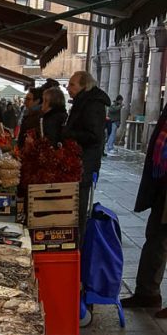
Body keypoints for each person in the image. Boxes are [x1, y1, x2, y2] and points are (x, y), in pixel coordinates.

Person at [121, 101, 167, 316]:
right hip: (163, 185)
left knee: (158, 239)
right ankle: (147, 293)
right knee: (156, 238)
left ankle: (148, 292)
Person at [63, 70, 110, 244]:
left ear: (84, 86)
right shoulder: (83, 101)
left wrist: (69, 133)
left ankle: (78, 247)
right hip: (80, 162)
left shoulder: (92, 104)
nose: (68, 88)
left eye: (72, 84)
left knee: (79, 209)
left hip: (85, 164)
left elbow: (93, 136)